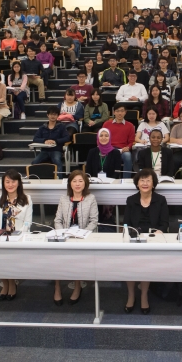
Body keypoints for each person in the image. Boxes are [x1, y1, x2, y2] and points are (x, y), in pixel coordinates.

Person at [122, 168, 169, 314]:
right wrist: (132, 235)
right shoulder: (131, 200)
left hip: (153, 239)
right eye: (142, 180)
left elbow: (164, 223)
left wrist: (159, 231)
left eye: (148, 180)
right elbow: (126, 223)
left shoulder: (161, 200)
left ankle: (143, 296)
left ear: (153, 184)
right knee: (130, 262)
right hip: (135, 238)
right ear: (137, 183)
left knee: (145, 262)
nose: (145, 183)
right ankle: (131, 295)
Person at [54, 171, 98, 305]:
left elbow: (94, 221)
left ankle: (77, 285)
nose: (77, 184)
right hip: (65, 236)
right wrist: (62, 233)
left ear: (85, 183)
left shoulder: (91, 198)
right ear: (70, 184)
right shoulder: (64, 199)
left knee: (77, 255)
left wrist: (82, 234)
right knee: (56, 256)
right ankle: (57, 287)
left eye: (80, 181)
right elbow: (57, 220)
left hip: (83, 236)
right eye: (74, 181)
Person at [0, 169, 33, 300]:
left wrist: (19, 236)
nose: (10, 184)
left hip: (18, 237)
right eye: (7, 182)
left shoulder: (26, 199)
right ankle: (6, 283)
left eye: (13, 181)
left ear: (19, 183)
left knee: (10, 254)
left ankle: (12, 283)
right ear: (3, 184)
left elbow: (28, 223)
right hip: (1, 235)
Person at [31, 106, 70, 174]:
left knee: (57, 161)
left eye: (55, 114)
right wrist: (45, 140)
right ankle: (35, 179)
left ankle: (59, 181)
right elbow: (35, 139)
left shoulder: (61, 127)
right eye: (51, 114)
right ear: (48, 115)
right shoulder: (42, 127)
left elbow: (67, 138)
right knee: (34, 162)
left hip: (56, 150)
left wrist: (56, 141)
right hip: (44, 151)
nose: (53, 116)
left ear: (58, 116)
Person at [102, 104, 136, 177]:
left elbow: (131, 141)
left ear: (125, 112)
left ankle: (126, 180)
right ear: (114, 112)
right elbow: (101, 138)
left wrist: (127, 147)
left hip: (123, 149)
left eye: (122, 111)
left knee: (128, 156)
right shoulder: (107, 124)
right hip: (109, 148)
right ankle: (106, 177)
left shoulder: (130, 125)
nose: (120, 113)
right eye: (117, 111)